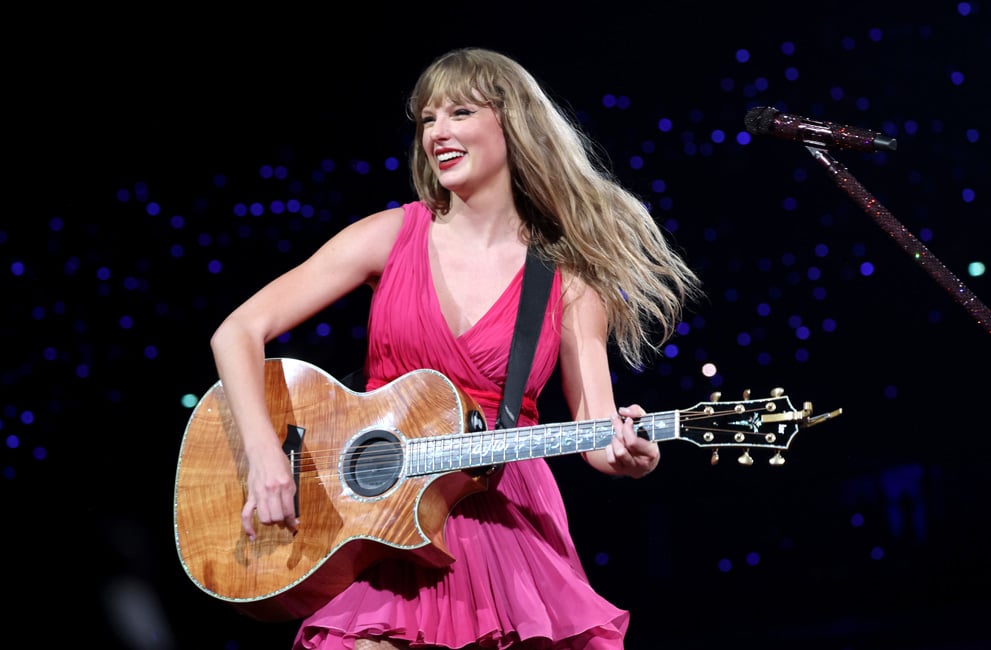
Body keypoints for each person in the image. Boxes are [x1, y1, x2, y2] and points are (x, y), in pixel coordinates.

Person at [209, 47, 702, 650]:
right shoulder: (389, 235)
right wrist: (264, 458)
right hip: (383, 513)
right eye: (427, 120)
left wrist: (629, 452)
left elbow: (595, 427)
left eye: (460, 113)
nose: (437, 133)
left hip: (500, 516)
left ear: (512, 124)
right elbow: (236, 331)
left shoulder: (568, 280)